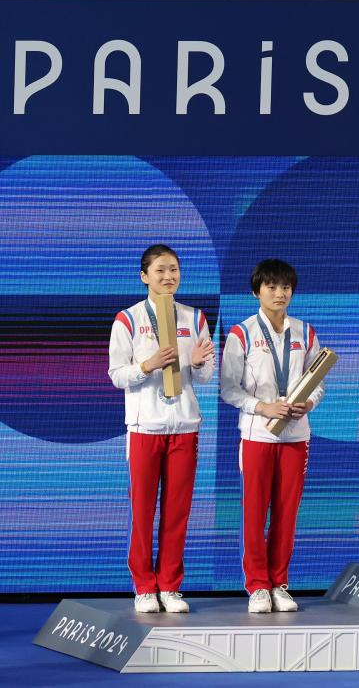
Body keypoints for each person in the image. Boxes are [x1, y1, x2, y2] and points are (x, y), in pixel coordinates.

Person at [108, 244, 215, 613]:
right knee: (142, 511)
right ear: (144, 276)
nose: (169, 276)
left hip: (185, 426)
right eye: (160, 270)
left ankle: (169, 586)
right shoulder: (128, 319)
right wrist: (148, 365)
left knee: (177, 510)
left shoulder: (195, 318)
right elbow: (117, 375)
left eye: (174, 270)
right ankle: (144, 586)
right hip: (145, 428)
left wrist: (198, 363)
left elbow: (205, 376)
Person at [221, 259, 324, 613]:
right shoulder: (242, 334)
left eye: (285, 287)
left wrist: (309, 402)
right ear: (256, 292)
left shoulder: (305, 332)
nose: (280, 293)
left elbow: (317, 381)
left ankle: (279, 583)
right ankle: (257, 586)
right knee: (254, 512)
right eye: (272, 287)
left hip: (296, 435)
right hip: (257, 436)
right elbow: (228, 389)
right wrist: (262, 407)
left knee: (286, 512)